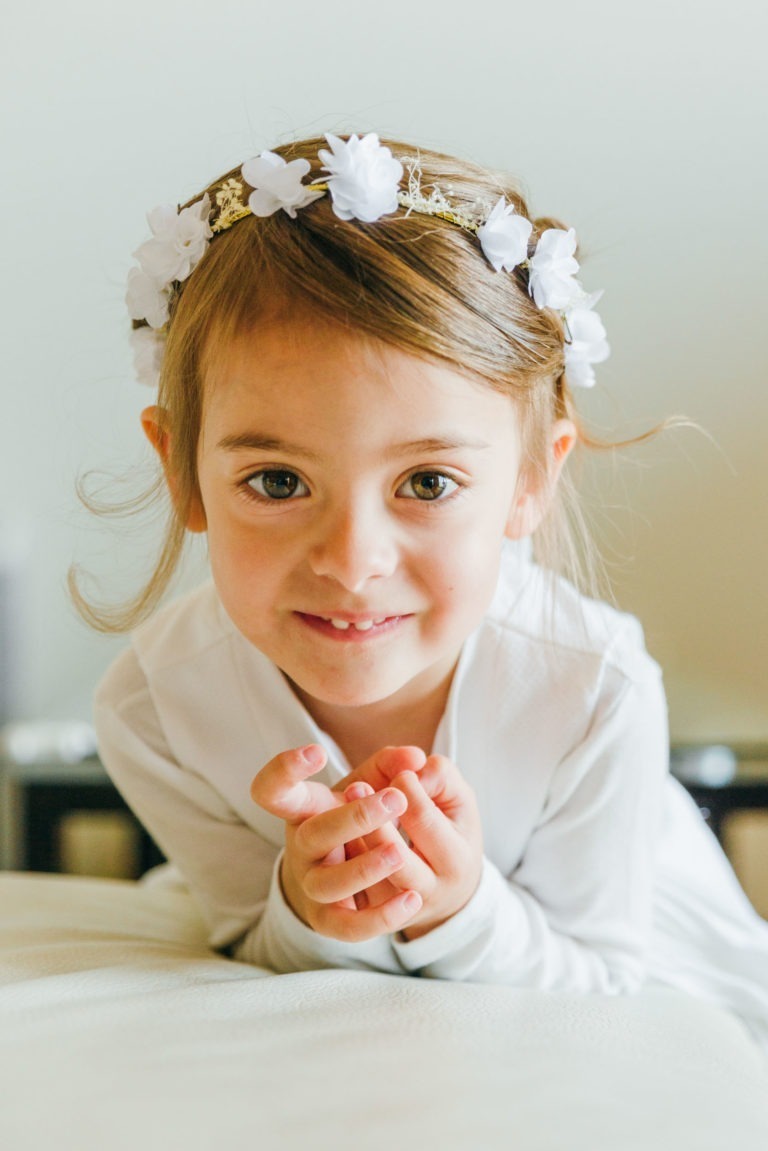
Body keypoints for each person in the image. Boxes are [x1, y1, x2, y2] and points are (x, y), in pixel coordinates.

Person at [77, 132, 768, 1053]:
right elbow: (249, 931)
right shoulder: (154, 709)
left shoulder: (595, 687)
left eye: (428, 483)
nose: (353, 561)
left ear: (529, 480)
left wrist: (463, 904)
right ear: (182, 471)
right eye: (278, 482)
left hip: (624, 964)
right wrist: (307, 902)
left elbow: (603, 981)